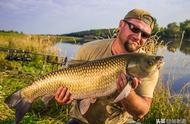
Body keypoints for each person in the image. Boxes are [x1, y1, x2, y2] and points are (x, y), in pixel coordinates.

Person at [55, 8, 158, 124]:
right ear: (121, 25)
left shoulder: (147, 64)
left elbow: (141, 112)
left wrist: (127, 93)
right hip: (81, 120)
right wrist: (63, 96)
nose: (138, 37)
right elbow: (66, 84)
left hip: (120, 122)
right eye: (134, 29)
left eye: (144, 35)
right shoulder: (88, 49)